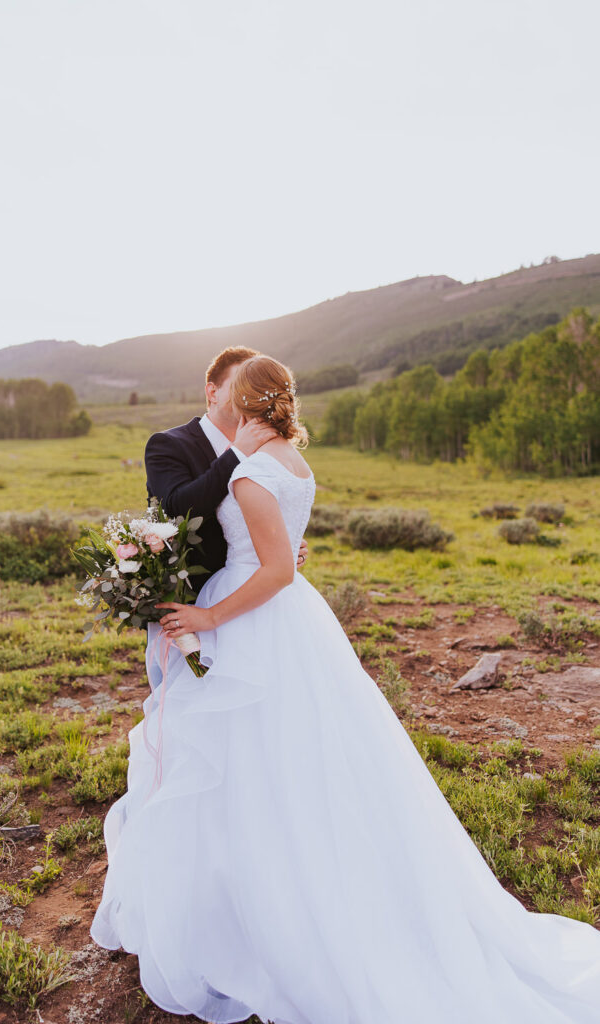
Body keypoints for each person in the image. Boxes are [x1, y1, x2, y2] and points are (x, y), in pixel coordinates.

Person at [91, 355, 600, 1023]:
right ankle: (227, 895)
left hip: (242, 621)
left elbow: (270, 562)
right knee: (262, 760)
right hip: (282, 622)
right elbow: (204, 520)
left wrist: (220, 606)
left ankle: (262, 917)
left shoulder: (252, 469)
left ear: (240, 402)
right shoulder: (282, 461)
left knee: (246, 763)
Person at [141, 344, 307, 691]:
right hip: (189, 603)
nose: (249, 393)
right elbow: (176, 507)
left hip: (251, 601)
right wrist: (236, 453)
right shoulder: (169, 444)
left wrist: (287, 544)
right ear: (212, 392)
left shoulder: (267, 454)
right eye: (241, 384)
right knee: (181, 704)